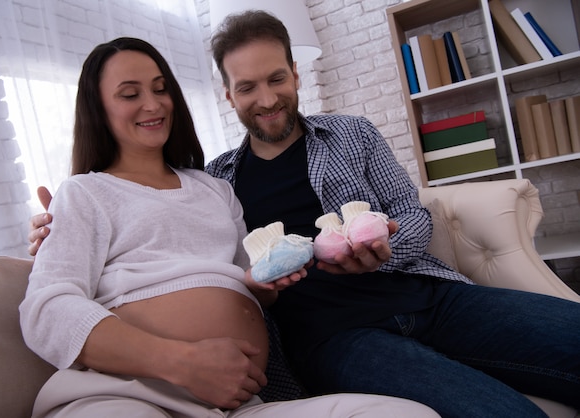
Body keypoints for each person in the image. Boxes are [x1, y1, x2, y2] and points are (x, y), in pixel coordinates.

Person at [28, 11, 580, 418]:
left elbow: (413, 214)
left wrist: (386, 248)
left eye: (275, 79)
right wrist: (55, 230)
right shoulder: (219, 180)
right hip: (335, 337)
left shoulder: (350, 135)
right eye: (247, 87)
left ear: (295, 73)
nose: (265, 98)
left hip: (429, 296)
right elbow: (152, 224)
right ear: (228, 95)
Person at [19, 37, 440, 418]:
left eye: (161, 88)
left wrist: (262, 286)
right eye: (130, 94)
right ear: (98, 108)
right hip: (125, 395)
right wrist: (182, 362)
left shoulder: (214, 188)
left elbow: (244, 283)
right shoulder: (85, 193)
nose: (153, 104)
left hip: (235, 403)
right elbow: (46, 311)